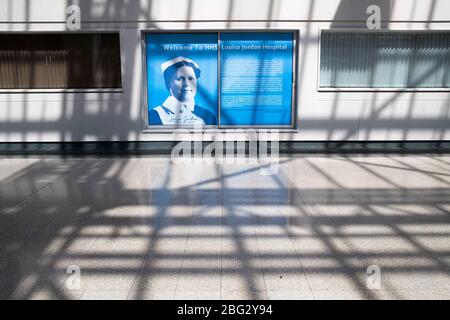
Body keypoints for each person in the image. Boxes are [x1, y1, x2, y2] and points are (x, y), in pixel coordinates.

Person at [149, 56, 217, 125]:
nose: (186, 84)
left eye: (191, 78)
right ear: (168, 83)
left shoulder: (209, 117)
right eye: (180, 79)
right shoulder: (153, 116)